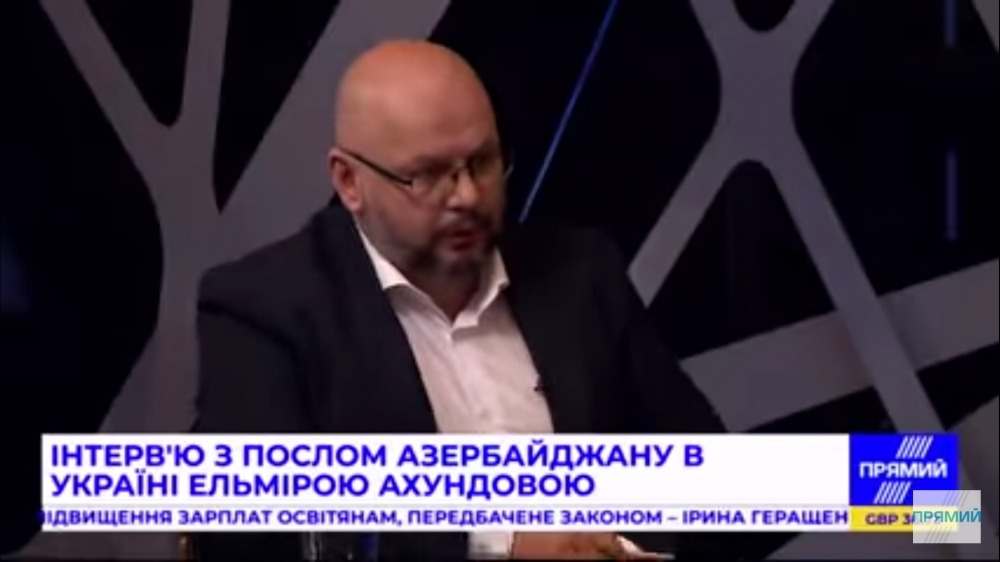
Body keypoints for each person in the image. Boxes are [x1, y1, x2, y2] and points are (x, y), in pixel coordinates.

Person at [194, 40, 725, 560]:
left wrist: (622, 547)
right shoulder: (265, 307)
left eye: (483, 162)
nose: (468, 195)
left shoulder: (581, 275)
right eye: (427, 176)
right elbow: (257, 535)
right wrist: (498, 545)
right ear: (350, 182)